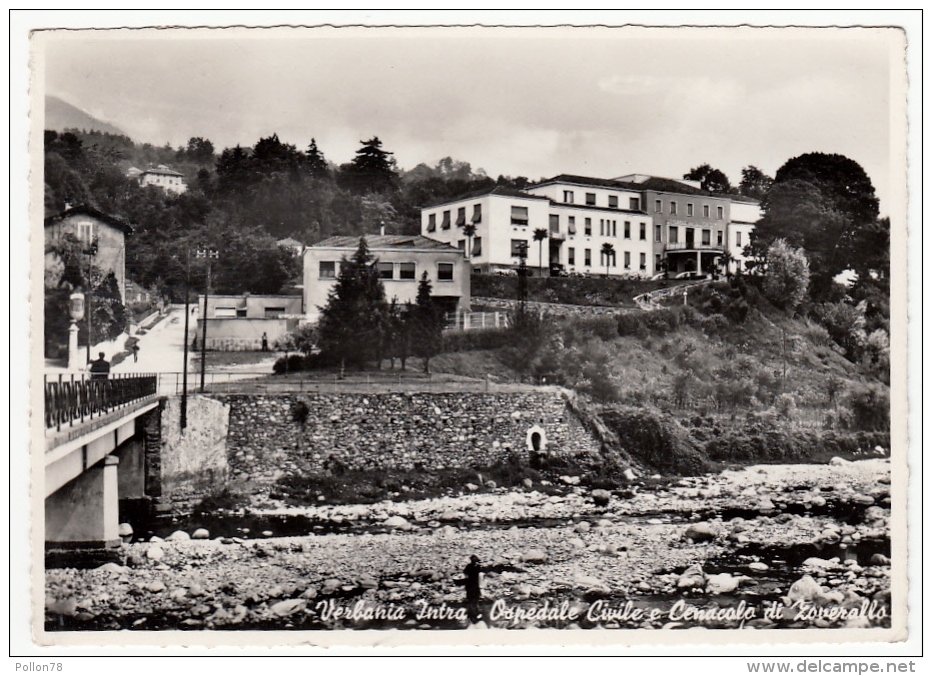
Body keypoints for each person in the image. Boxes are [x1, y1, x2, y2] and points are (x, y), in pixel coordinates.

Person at [463, 554, 484, 623]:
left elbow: (465, 573)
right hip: (475, 586)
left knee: (470, 600)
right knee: (475, 600)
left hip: (469, 585)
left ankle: (471, 614)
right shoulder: (478, 567)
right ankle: (475, 614)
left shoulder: (468, 566)